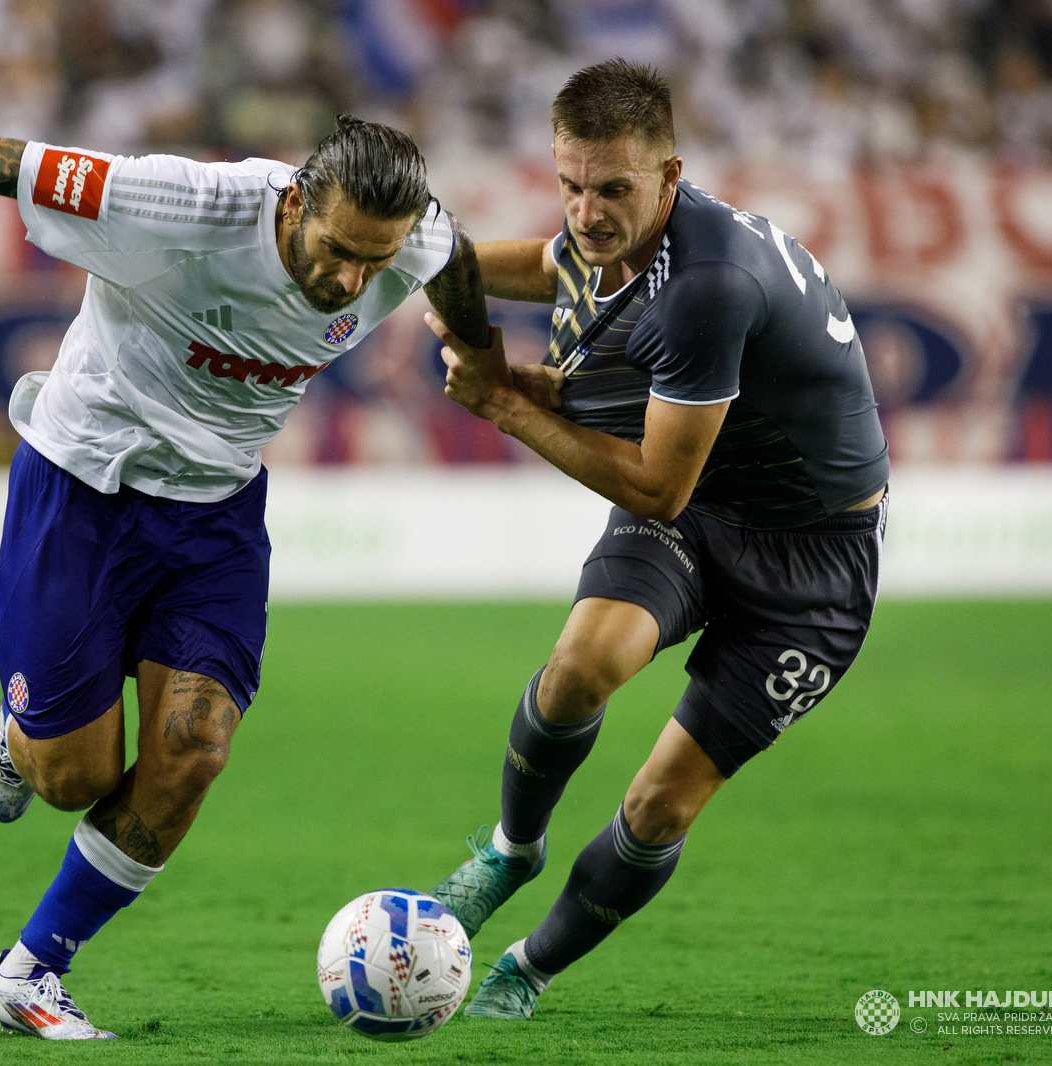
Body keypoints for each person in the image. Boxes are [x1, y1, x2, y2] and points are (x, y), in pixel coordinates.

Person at [0, 117, 492, 1040]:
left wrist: (481, 357)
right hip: (85, 483)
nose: (350, 282)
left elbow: (458, 261)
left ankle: (32, 971)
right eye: (336, 252)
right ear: (294, 201)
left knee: (195, 748)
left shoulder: (414, 234)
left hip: (217, 511)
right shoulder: (177, 202)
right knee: (74, 779)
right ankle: (19, 732)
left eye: (375, 262)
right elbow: (3, 161)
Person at [422, 59, 890, 1019]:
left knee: (658, 805)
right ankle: (510, 849)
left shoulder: (708, 286)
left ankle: (526, 971)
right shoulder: (636, 233)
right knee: (579, 669)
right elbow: (553, 264)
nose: (586, 213)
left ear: (670, 176)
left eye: (612, 191)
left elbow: (655, 485)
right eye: (570, 185)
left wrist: (505, 404)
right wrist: (441, 265)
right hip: (712, 507)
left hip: (812, 563)